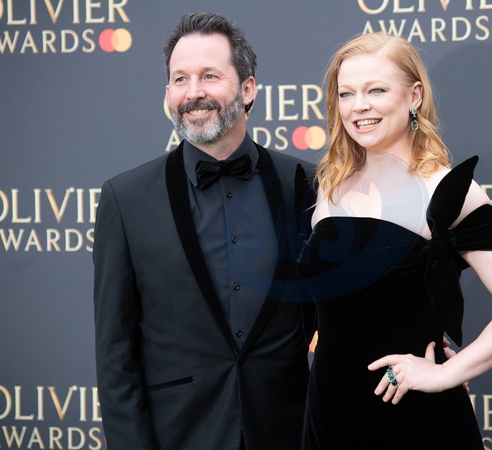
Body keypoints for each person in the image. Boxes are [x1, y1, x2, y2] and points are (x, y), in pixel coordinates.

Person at [296, 32, 492, 449]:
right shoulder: (331, 186)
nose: (359, 106)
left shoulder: (446, 191)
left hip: (411, 418)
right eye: (346, 94)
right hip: (329, 415)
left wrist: (446, 373)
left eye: (376, 90)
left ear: (414, 95)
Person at [93, 13, 317, 450]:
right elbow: (115, 353)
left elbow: (342, 308)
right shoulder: (126, 199)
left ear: (247, 89)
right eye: (181, 79)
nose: (193, 92)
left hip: (288, 431)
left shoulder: (306, 185)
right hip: (179, 435)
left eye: (209, 76)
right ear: (168, 95)